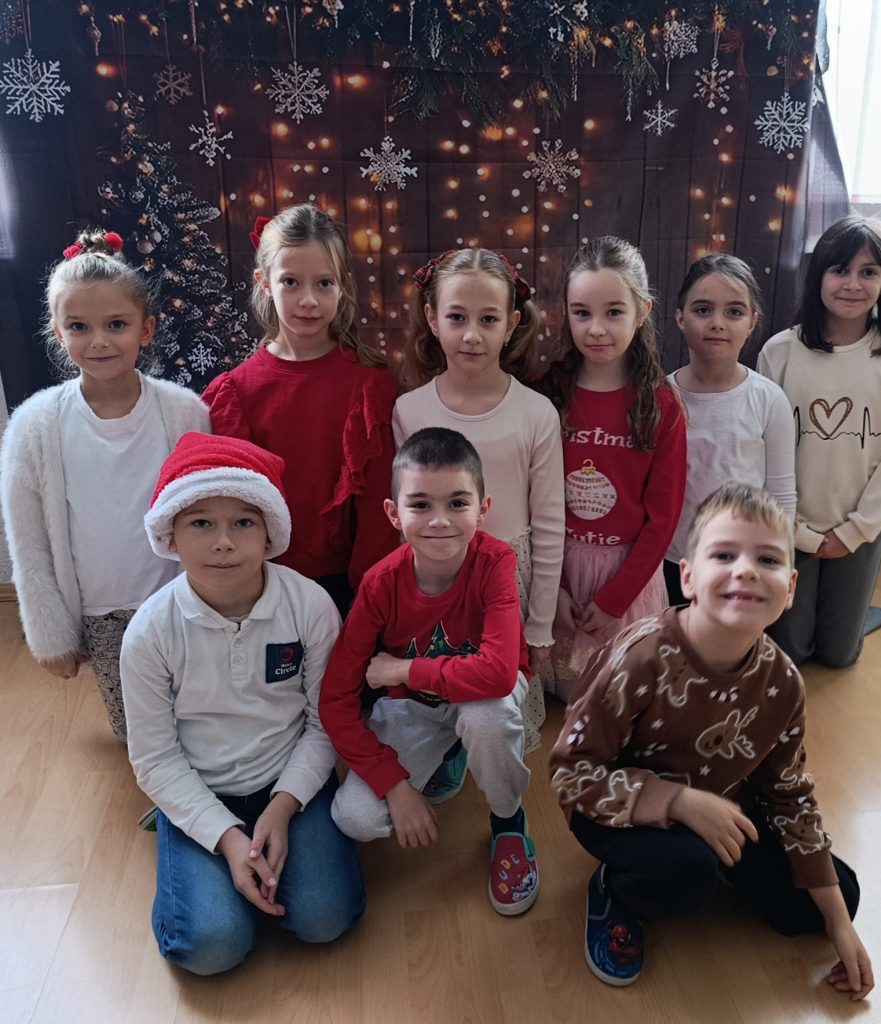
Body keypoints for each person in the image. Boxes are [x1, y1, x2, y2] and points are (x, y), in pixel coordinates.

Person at [550, 483, 873, 999]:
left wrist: (838, 920)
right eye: (724, 555)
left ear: (790, 587)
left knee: (837, 898)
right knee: (687, 873)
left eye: (767, 559)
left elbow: (788, 793)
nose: (746, 570)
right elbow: (571, 775)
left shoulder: (783, 681)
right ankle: (615, 887)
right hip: (615, 809)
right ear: (688, 577)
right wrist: (675, 801)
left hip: (724, 809)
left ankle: (711, 858)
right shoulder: (641, 658)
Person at [121, 432, 364, 975]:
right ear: (170, 534)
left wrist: (284, 805)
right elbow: (155, 757)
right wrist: (227, 838)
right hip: (201, 787)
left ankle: (257, 868)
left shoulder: (309, 605)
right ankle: (189, 842)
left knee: (325, 919)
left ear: (270, 531)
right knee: (211, 948)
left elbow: (326, 722)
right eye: (200, 523)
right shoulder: (150, 632)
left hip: (291, 784)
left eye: (243, 523)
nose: (224, 542)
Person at [318, 427, 539, 917]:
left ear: (483, 509)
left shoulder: (496, 560)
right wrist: (394, 786)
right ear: (393, 513)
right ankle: (449, 752)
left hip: (477, 696)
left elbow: (499, 675)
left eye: (457, 503)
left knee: (484, 715)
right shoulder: (379, 583)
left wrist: (403, 669)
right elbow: (334, 700)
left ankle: (509, 821)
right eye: (420, 505)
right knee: (354, 818)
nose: (440, 521)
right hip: (417, 708)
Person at [0, 228, 209, 741]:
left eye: (116, 324)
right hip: (102, 613)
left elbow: (206, 508)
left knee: (201, 720)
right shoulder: (35, 425)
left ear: (146, 329)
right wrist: (51, 635)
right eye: (79, 326)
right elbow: (28, 540)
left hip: (180, 601)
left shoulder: (184, 412)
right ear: (58, 332)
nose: (99, 341)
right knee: (137, 733)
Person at [393, 248, 564, 752]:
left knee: (497, 697)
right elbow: (406, 513)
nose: (471, 335)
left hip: (511, 576)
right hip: (437, 573)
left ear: (511, 324)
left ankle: (497, 762)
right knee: (441, 687)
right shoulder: (409, 410)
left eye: (488, 319)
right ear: (432, 319)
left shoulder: (536, 413)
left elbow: (550, 522)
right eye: (457, 318)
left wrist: (540, 623)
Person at [202, 203, 398, 619]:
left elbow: (377, 512)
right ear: (264, 283)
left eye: (324, 283)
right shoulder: (233, 392)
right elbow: (228, 506)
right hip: (256, 586)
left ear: (342, 286)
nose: (308, 300)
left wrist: (370, 600)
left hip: (347, 589)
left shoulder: (368, 385)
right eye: (291, 282)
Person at [757, 216, 881, 667]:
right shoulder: (779, 352)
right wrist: (798, 532)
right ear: (818, 276)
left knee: (838, 656)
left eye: (868, 271)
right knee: (791, 652)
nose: (853, 284)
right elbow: (763, 454)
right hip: (791, 527)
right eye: (840, 270)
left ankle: (852, 618)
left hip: (861, 528)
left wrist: (854, 531)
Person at [539, 236, 686, 701]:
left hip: (628, 574)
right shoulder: (549, 393)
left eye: (614, 312)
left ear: (642, 311)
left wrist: (615, 599)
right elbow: (534, 499)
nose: (596, 328)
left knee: (620, 696)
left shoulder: (661, 404)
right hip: (559, 566)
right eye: (582, 313)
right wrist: (554, 589)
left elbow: (663, 518)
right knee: (570, 695)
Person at [664, 252, 795, 606]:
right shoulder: (660, 397)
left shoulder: (769, 400)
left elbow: (781, 498)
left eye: (734, 311)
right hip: (672, 561)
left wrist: (779, 564)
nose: (717, 323)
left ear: (752, 322)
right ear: (680, 317)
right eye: (703, 310)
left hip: (742, 566)